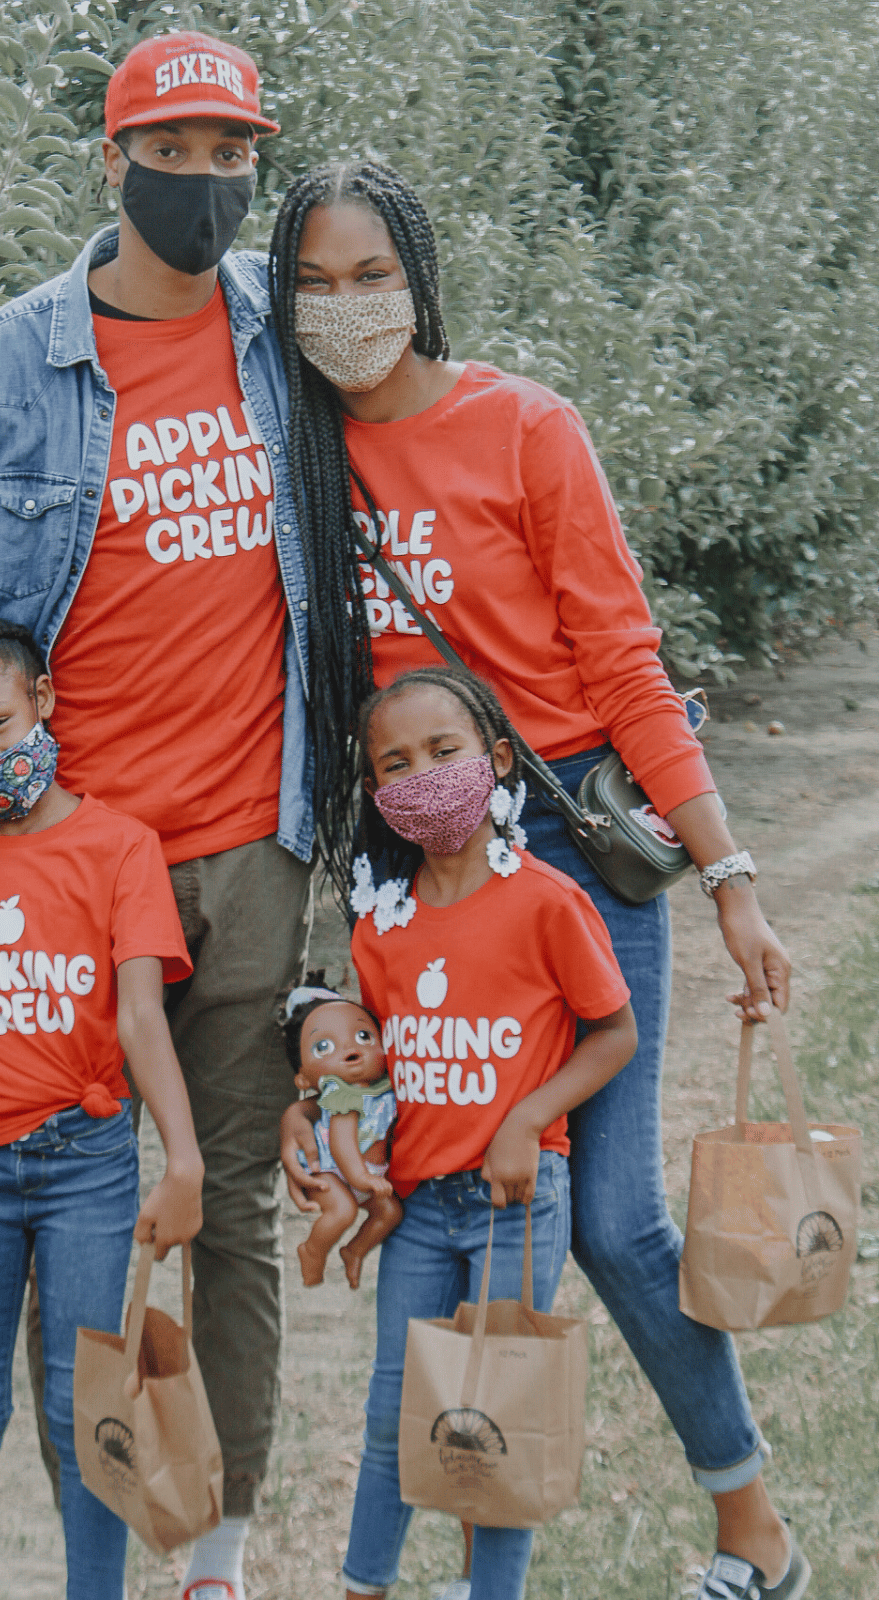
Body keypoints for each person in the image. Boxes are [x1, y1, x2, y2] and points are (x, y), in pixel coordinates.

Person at [271, 162, 810, 1600]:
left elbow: (626, 664)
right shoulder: (299, 459)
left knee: (608, 1215)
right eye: (312, 284)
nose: (345, 308)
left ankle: (750, 1518)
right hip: (418, 865)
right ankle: (468, 1554)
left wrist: (729, 874)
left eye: (369, 274)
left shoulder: (524, 428)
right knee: (443, 1201)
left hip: (566, 849)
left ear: (421, 275)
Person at [0, 34, 312, 1600]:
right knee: (84, 1216)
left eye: (229, 153)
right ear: (112, 158)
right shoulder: (11, 364)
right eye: (173, 151)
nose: (204, 183)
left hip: (248, 850)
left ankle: (223, 1550)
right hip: (61, 872)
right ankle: (124, 1541)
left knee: (233, 1214)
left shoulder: (283, 338)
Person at [297, 666, 636, 1600]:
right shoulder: (380, 927)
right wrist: (322, 1121)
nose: (424, 776)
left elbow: (615, 1031)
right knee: (395, 1409)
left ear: (493, 761)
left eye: (444, 753)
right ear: (378, 796)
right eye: (397, 765)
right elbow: (365, 1065)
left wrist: (530, 1118)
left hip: (514, 1209)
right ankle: (363, 1584)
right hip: (415, 1210)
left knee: (495, 1416)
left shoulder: (547, 902)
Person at [0, 618, 203, 1600]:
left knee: (84, 1412)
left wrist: (183, 1160)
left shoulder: (121, 849)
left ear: (42, 704)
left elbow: (145, 1019)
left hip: (88, 1168)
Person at [281, 984, 402, 1288]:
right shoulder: (343, 1095)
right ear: (303, 1078)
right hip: (331, 1168)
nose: (351, 1051)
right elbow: (341, 1142)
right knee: (343, 1210)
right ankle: (312, 1249)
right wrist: (361, 1179)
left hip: (366, 1173)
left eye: (363, 1036)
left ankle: (355, 1250)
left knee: (389, 1213)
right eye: (323, 1047)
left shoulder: (384, 1088)